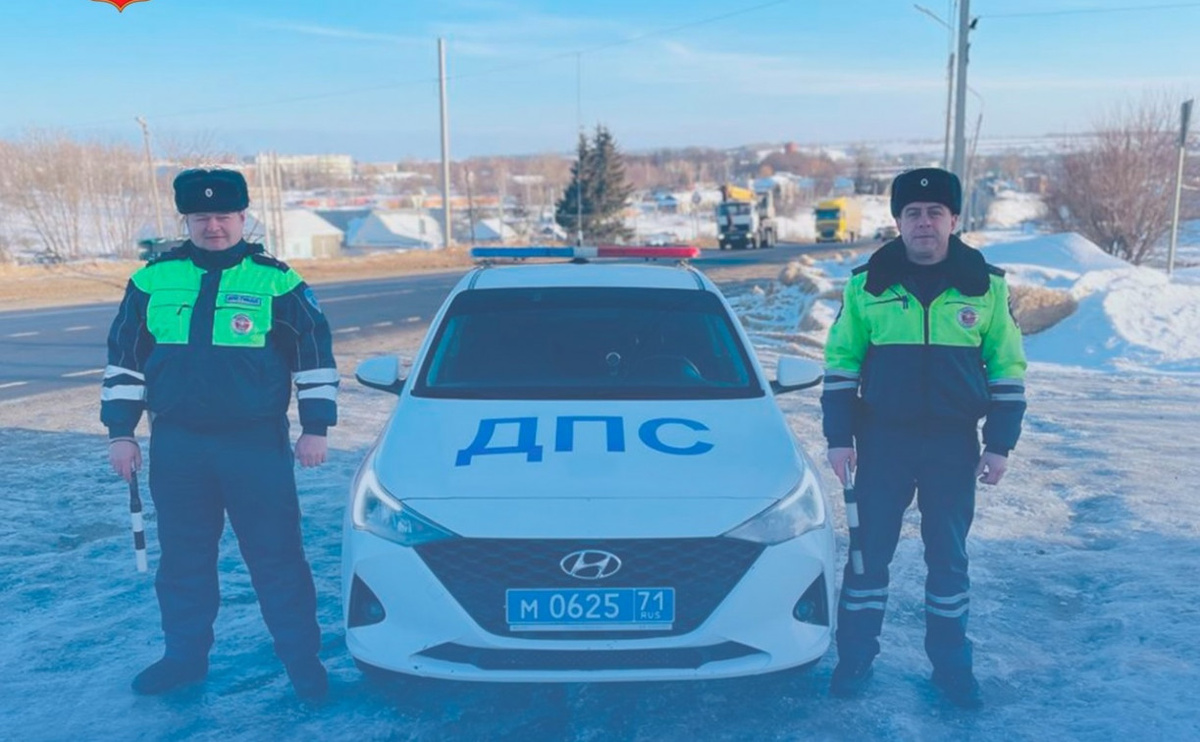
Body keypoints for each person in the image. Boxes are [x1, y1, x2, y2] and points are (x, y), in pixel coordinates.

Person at [101, 168, 339, 702]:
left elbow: (314, 359)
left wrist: (316, 427)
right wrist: (121, 432)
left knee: (277, 559)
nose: (213, 226)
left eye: (224, 216)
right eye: (201, 217)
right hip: (178, 445)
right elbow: (125, 361)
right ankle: (183, 660)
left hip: (255, 446)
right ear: (185, 220)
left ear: (243, 217)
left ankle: (304, 666)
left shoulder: (277, 281)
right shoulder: (151, 281)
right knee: (183, 561)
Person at [820, 168, 1027, 708]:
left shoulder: (986, 286)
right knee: (866, 558)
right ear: (898, 221)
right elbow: (841, 364)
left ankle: (952, 669)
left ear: (954, 220)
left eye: (935, 212)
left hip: (952, 446)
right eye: (912, 212)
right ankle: (855, 659)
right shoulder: (867, 285)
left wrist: (999, 443)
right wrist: (839, 437)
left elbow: (1007, 369)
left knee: (949, 560)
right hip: (882, 443)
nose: (924, 222)